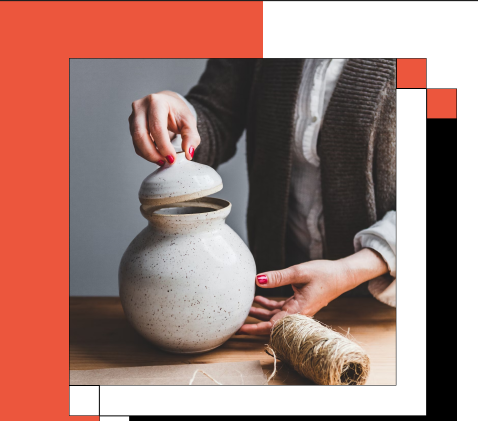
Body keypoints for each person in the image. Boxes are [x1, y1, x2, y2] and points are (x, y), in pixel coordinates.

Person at [127, 59, 396, 336]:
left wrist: (350, 271)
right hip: (274, 305)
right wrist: (176, 118)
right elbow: (216, 113)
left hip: (380, 313)